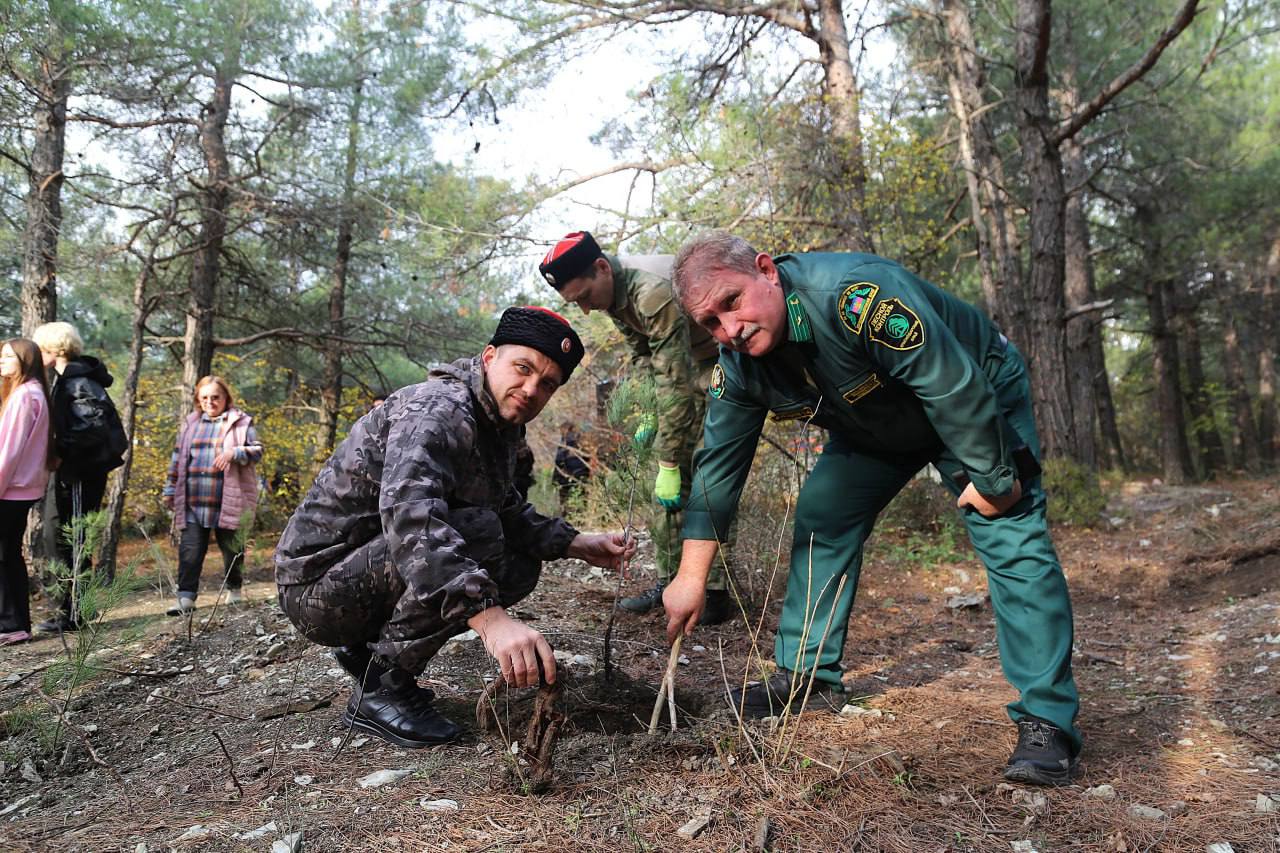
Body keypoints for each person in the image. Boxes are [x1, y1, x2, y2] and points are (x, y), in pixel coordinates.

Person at [661, 232, 1082, 787]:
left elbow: (952, 385)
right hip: (875, 425)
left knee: (1007, 529)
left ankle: (1047, 721)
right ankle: (807, 678)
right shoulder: (739, 365)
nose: (729, 330)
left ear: (767, 271)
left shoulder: (857, 295)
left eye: (731, 302)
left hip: (971, 396)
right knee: (823, 514)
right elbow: (717, 467)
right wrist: (691, 576)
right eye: (710, 322)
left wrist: (998, 480)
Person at [274, 307, 633, 748]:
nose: (531, 389)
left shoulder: (498, 425)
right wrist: (489, 617)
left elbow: (505, 508)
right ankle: (382, 686)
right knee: (480, 534)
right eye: (522, 369)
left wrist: (576, 543)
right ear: (488, 357)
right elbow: (411, 514)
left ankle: (366, 650)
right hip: (315, 591)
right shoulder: (439, 407)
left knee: (518, 562)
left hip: (356, 575)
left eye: (547, 384)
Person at [539, 230, 732, 624]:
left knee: (695, 470)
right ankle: (669, 580)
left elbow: (677, 383)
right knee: (661, 479)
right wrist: (647, 412)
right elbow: (644, 356)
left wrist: (668, 461)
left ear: (601, 268)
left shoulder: (651, 292)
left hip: (722, 361)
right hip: (685, 364)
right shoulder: (613, 294)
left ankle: (710, 592)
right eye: (575, 303)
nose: (587, 310)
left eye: (584, 297)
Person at [30, 322, 127, 633]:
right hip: (73, 472)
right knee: (61, 538)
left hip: (79, 474)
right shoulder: (66, 380)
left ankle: (74, 614)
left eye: (40, 348)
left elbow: (93, 428)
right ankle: (71, 611)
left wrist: (60, 449)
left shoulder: (79, 382)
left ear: (55, 348)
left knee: (72, 539)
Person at [162, 375, 263, 615]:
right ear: (198, 399)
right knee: (190, 549)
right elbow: (177, 459)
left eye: (215, 397)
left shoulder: (241, 422)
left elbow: (257, 451)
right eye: (205, 397)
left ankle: (234, 590)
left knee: (232, 548)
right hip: (194, 501)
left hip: (229, 499)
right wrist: (169, 488)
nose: (210, 401)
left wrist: (234, 453)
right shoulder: (191, 424)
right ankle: (186, 597)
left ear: (225, 397)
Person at [0, 340, 55, 646]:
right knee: (9, 554)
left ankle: (10, 624)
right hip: (20, 489)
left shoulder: (24, 396)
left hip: (10, 489)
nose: (1, 361)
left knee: (5, 555)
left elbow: (9, 452)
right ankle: (17, 623)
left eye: (8, 356)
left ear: (25, 360)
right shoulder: (34, 392)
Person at [552, 421, 590, 512]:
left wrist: (557, 477)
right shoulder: (581, 440)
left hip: (568, 475)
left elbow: (559, 459)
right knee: (581, 498)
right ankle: (580, 516)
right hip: (580, 474)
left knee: (566, 500)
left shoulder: (567, 441)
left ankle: (570, 517)